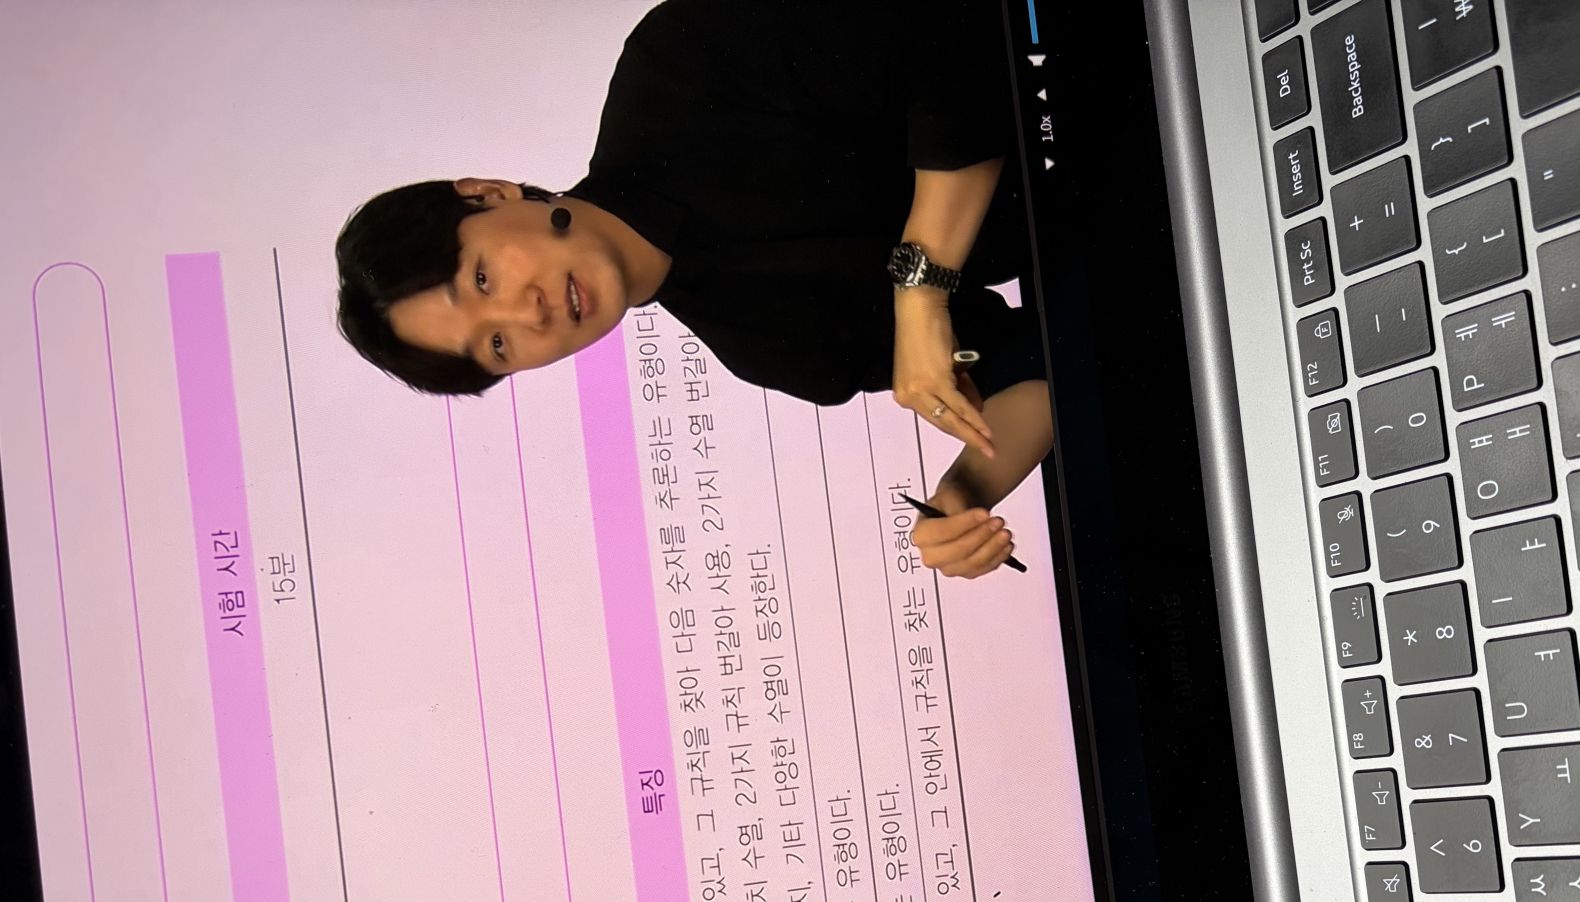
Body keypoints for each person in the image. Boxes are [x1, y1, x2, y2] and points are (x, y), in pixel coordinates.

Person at [334, 0, 1050, 581]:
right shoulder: (770, 347)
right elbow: (1043, 366)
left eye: (483, 278)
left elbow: (947, 32)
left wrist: (919, 292)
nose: (528, 313)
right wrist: (963, 497)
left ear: (488, 195)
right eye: (497, 346)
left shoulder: (676, 67)